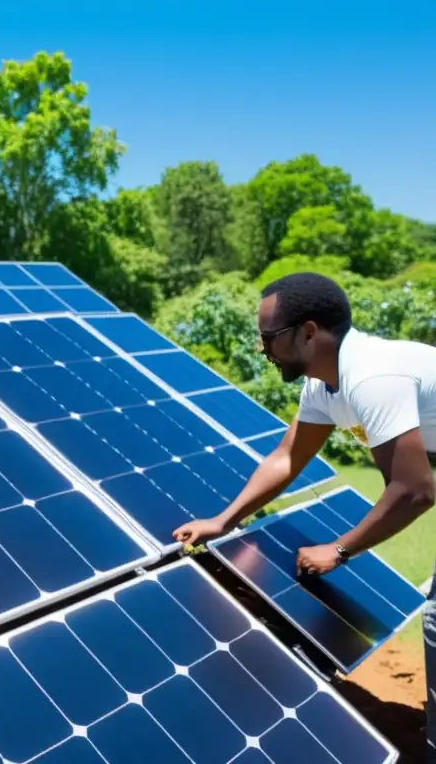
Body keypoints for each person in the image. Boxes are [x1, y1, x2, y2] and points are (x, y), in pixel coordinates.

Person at [171, 271, 436, 755]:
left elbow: (415, 492)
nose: (262, 350)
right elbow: (288, 456)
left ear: (309, 333)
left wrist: (339, 549)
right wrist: (223, 520)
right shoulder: (324, 384)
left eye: (269, 338)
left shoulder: (373, 377)